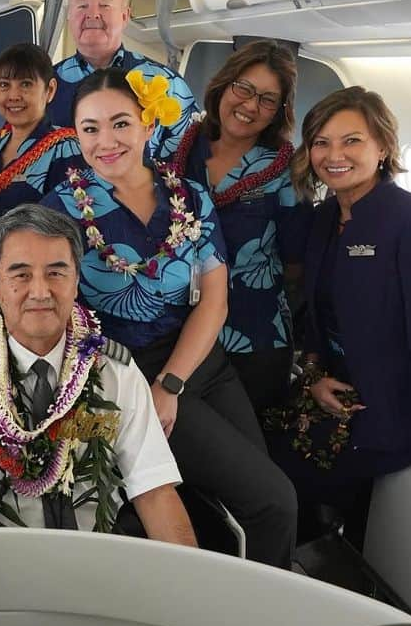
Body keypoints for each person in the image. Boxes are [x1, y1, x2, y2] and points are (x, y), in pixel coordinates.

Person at [41, 68, 297, 567]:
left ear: (146, 124)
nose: (105, 141)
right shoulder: (61, 210)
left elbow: (215, 301)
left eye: (120, 123)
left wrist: (173, 382)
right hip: (128, 371)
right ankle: (262, 619)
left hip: (200, 363)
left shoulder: (189, 197)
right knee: (274, 502)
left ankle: (237, 599)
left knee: (252, 498)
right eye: (89, 128)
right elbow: (29, 295)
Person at [0, 206, 196, 542]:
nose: (41, 292)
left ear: (76, 281)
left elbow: (155, 491)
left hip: (98, 556)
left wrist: (187, 587)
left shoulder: (114, 369)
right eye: (21, 275)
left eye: (56, 273)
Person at [274, 87, 411, 524]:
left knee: (283, 487)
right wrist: (316, 377)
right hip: (339, 395)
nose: (333, 154)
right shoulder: (326, 217)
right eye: (321, 142)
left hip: (395, 412)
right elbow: (315, 313)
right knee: (269, 463)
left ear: (383, 147)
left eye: (352, 140)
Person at [164, 41, 311, 413]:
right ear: (224, 85)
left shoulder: (285, 170)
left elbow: (297, 262)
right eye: (243, 88)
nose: (249, 106)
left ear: (279, 111)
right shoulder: (179, 147)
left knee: (253, 455)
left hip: (255, 337)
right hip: (180, 335)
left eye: (266, 99)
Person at [49, 0, 197, 160]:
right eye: (82, 6)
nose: (93, 14)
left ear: (125, 16)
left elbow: (188, 160)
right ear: (69, 16)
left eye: (105, 5)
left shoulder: (167, 83)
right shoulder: (45, 88)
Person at [0, 43, 79, 226]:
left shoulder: (66, 149)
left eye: (25, 84)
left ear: (50, 90)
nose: (13, 96)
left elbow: (70, 226)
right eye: (4, 85)